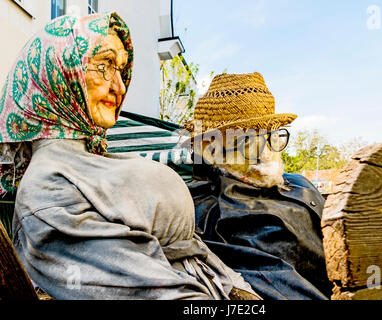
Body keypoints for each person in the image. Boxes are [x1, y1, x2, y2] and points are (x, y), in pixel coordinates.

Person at [0, 13, 259, 300]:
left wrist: (239, 291)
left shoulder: (89, 162)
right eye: (104, 65)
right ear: (59, 73)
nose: (120, 87)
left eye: (121, 70)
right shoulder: (49, 190)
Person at [183, 72, 332, 300]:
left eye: (271, 136)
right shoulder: (208, 211)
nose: (264, 151)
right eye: (247, 141)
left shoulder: (299, 182)